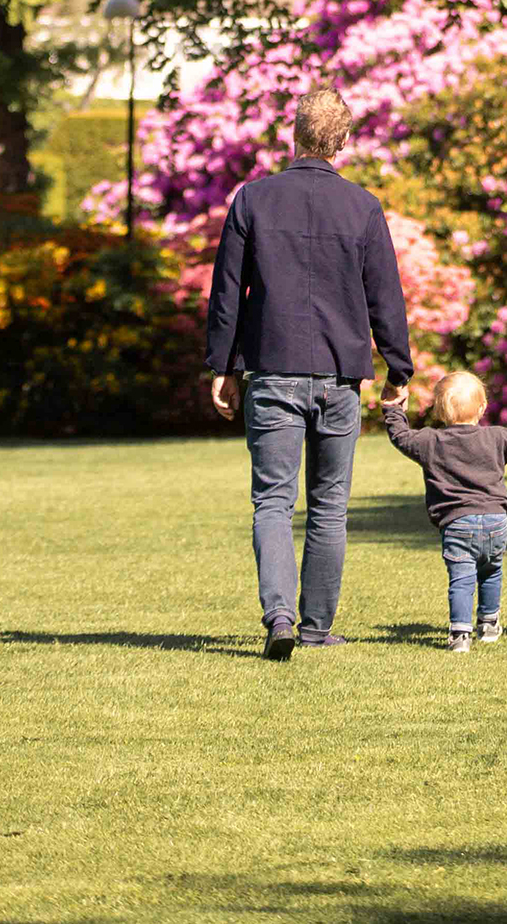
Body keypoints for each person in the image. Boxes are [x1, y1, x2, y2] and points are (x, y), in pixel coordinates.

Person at [204, 86, 412, 661]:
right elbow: (385, 297)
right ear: (342, 141)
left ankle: (280, 616)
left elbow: (227, 293)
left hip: (272, 371)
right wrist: (398, 367)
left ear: (293, 133)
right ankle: (316, 626)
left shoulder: (252, 199)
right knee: (328, 505)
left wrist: (222, 366)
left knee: (272, 501)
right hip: (340, 376)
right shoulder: (363, 207)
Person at [382, 371, 507, 653]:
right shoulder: (496, 437)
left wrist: (393, 410)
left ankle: (461, 633)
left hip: (457, 523)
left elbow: (400, 436)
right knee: (491, 571)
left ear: (438, 410)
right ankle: (488, 623)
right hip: (496, 520)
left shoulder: (429, 442)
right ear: (483, 407)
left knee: (461, 577)